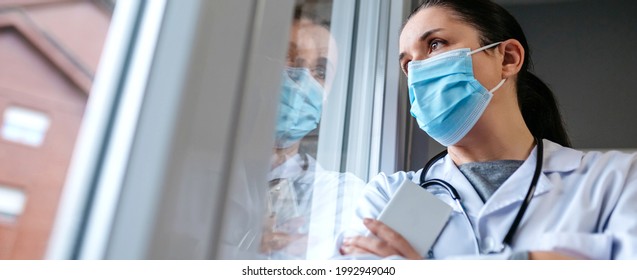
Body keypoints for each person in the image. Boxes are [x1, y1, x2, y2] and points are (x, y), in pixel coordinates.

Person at [339, 0, 637, 260]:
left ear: (508, 58)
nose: (417, 72)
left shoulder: (615, 180)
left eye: (435, 45)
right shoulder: (386, 197)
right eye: (407, 64)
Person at [260, 9, 366, 260]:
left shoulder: (342, 195)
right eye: (287, 56)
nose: (302, 78)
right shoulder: (192, 175)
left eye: (320, 71)